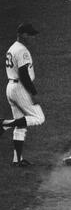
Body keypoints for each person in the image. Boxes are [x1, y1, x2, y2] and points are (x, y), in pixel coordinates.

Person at [1, 23, 45, 167]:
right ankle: (5, 124)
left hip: (10, 88)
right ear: (22, 35)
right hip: (20, 88)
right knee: (39, 118)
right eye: (30, 34)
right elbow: (24, 75)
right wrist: (34, 93)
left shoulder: (12, 48)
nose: (33, 37)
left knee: (21, 126)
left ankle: (17, 160)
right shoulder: (22, 51)